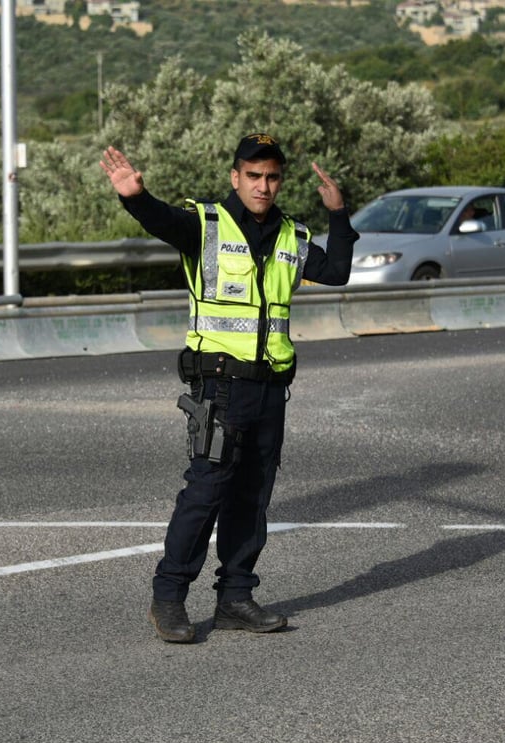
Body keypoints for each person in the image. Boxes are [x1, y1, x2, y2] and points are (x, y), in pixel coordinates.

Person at [100, 133, 358, 643]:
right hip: (218, 386)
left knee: (252, 498)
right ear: (235, 177)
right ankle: (169, 597)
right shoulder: (206, 225)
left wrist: (339, 215)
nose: (264, 186)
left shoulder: (292, 235)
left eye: (272, 177)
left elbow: (339, 271)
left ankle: (236, 597)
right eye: (254, 176)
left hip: (269, 389)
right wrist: (134, 197)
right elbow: (162, 221)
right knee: (206, 492)